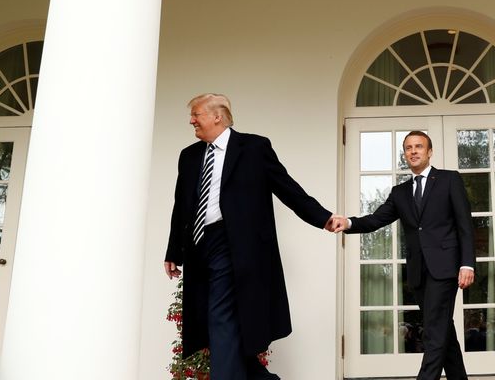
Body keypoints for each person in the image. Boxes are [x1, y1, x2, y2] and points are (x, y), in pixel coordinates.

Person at [164, 93, 343, 380]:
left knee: (220, 315)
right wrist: (174, 251)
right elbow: (182, 205)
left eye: (196, 114)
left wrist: (322, 217)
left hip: (235, 244)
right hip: (199, 246)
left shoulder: (254, 147)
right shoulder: (189, 156)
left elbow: (286, 187)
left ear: (217, 116)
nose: (191, 120)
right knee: (213, 322)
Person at [340, 131, 476, 380]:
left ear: (429, 151)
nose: (413, 151)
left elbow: (464, 224)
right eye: (408, 148)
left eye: (418, 146)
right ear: (405, 154)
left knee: (434, 332)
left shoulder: (448, 180)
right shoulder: (400, 192)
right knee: (444, 330)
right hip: (418, 272)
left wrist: (467, 264)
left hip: (445, 268)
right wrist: (348, 222)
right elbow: (376, 219)